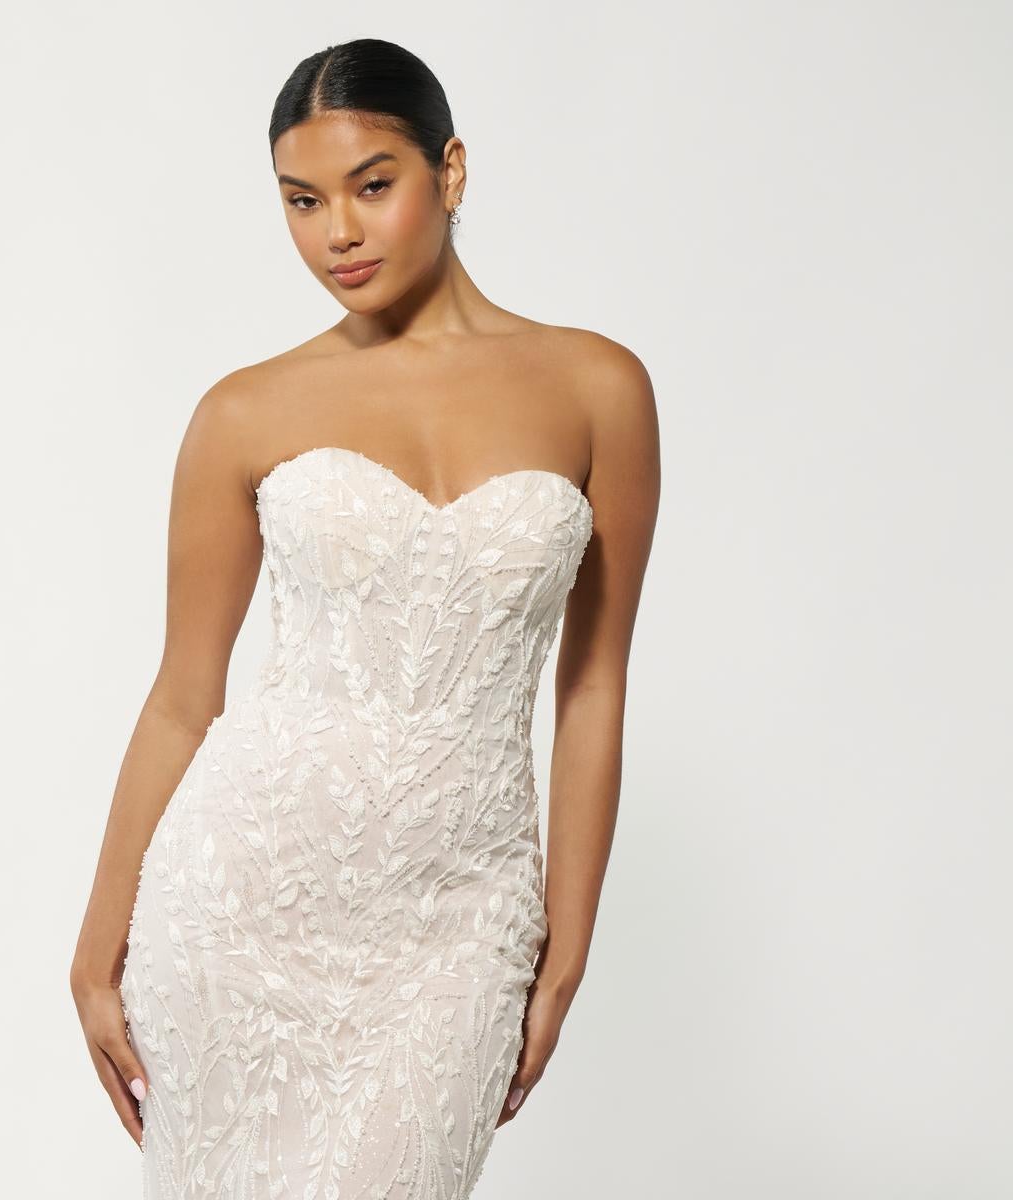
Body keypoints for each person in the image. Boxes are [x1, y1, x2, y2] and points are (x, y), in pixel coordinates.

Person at [69, 37, 659, 1198]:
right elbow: (185, 696)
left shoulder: (598, 389)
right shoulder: (246, 410)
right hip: (240, 905)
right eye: (302, 201)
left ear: (451, 169)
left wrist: (567, 946)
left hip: (461, 921)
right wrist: (97, 947)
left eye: (371, 185)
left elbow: (593, 685)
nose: (336, 231)